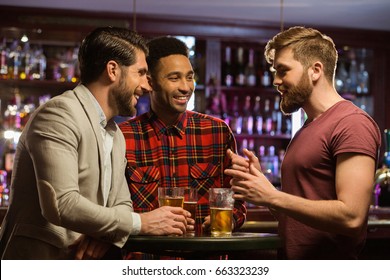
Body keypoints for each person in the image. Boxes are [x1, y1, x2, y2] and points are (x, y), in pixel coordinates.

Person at [0, 27, 192, 260]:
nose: (147, 85)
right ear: (112, 70)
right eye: (140, 73)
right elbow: (61, 203)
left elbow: (122, 204)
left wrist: (104, 234)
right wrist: (141, 223)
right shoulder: (59, 114)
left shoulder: (114, 132)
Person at [225, 26, 381, 260]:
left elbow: (352, 217)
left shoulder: (351, 124)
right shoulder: (308, 128)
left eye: (283, 70)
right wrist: (263, 187)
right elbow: (297, 217)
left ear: (315, 70)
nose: (276, 81)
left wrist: (272, 196)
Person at [119, 36, 246, 240]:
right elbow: (113, 210)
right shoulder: (123, 136)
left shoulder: (217, 132)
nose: (186, 87)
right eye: (174, 78)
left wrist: (230, 219)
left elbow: (237, 199)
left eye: (189, 77)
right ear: (150, 83)